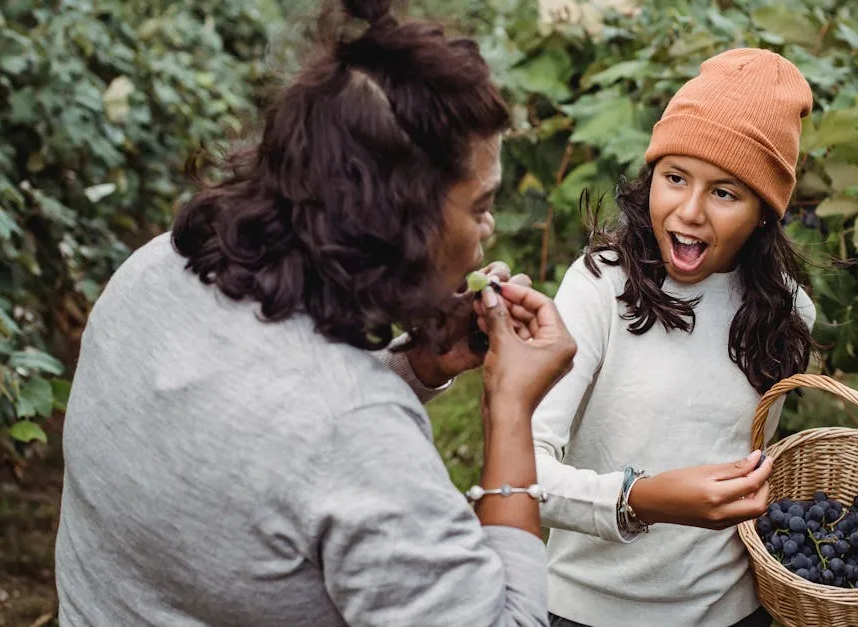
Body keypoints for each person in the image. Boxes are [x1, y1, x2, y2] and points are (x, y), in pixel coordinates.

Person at [53, 0, 576, 624]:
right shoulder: (357, 437)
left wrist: (417, 364)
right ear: (402, 220)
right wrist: (510, 411)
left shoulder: (155, 270)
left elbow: (265, 432)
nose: (489, 226)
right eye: (479, 203)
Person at [532, 48, 819, 627]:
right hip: (585, 611)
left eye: (724, 192)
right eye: (675, 177)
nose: (688, 212)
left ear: (764, 211)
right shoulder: (600, 285)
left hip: (732, 613)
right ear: (651, 176)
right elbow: (524, 472)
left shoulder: (788, 312)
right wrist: (642, 498)